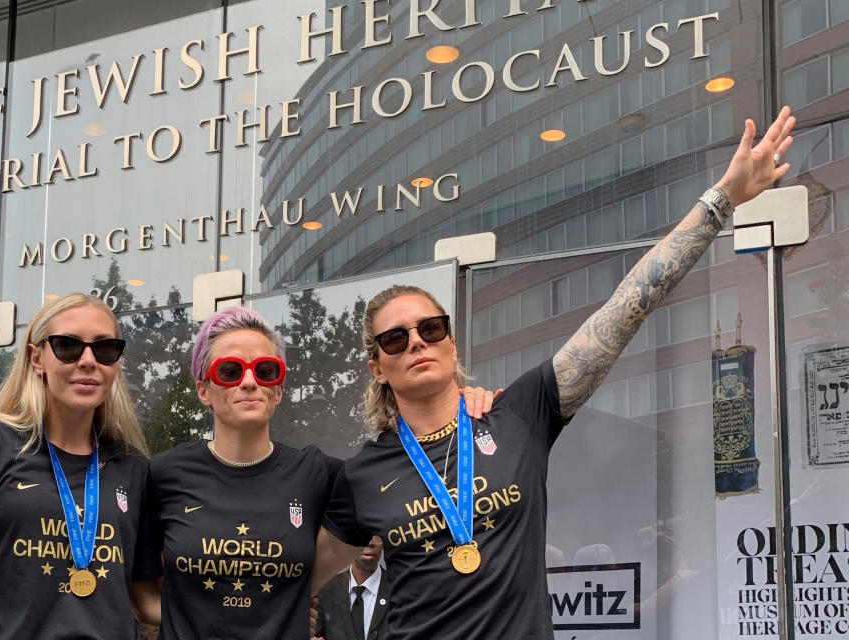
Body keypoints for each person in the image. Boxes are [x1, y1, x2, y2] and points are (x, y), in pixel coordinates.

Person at [314, 107, 797, 639]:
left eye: (430, 328)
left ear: (451, 341)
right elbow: (294, 581)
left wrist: (721, 199)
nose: (416, 343)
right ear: (377, 366)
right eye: (394, 338)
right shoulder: (360, 474)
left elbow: (625, 308)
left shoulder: (516, 416)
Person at [144, 306, 494, 639]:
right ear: (203, 390)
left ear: (278, 389)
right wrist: (201, 617)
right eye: (230, 371)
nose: (249, 382)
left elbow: (409, 473)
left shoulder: (319, 474)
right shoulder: (163, 474)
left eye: (265, 370)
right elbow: (139, 592)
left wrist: (457, 404)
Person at [0, 293, 161, 639]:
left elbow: (145, 601)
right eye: (68, 346)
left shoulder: (133, 467)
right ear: (36, 358)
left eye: (105, 348)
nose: (88, 360)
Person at [314, 535, 389, 640]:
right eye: (361, 533)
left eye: (376, 534)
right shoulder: (325, 590)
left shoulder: (400, 590)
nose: (370, 542)